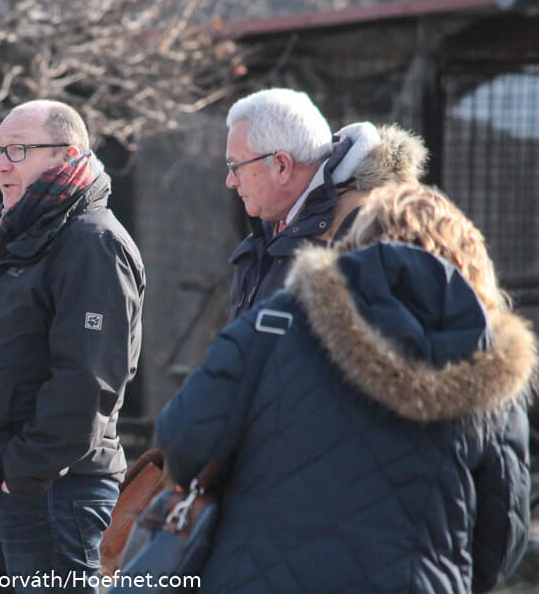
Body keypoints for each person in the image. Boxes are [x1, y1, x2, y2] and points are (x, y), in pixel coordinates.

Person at [155, 182, 536, 592]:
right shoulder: (491, 370)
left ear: (356, 240)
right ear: (471, 263)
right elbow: (499, 547)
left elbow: (183, 441)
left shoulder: (275, 322)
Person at [0, 100, 145, 591]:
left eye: (18, 150)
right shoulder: (27, 236)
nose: (2, 164)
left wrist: (25, 473)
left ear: (67, 155)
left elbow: (87, 380)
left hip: (53, 492)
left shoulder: (92, 242)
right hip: (9, 492)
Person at [225, 87, 428, 322]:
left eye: (236, 166)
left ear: (282, 165)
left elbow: (385, 349)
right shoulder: (275, 226)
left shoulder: (367, 227)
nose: (230, 180)